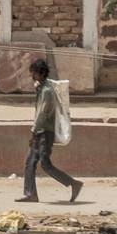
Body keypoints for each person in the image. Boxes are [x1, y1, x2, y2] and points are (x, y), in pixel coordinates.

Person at [18, 57, 82, 204]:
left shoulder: (47, 91)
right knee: (29, 162)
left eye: (34, 73)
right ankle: (30, 194)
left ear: (40, 73)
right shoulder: (43, 87)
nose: (32, 76)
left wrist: (34, 131)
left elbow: (43, 113)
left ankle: (73, 183)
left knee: (45, 164)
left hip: (44, 132)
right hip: (40, 131)